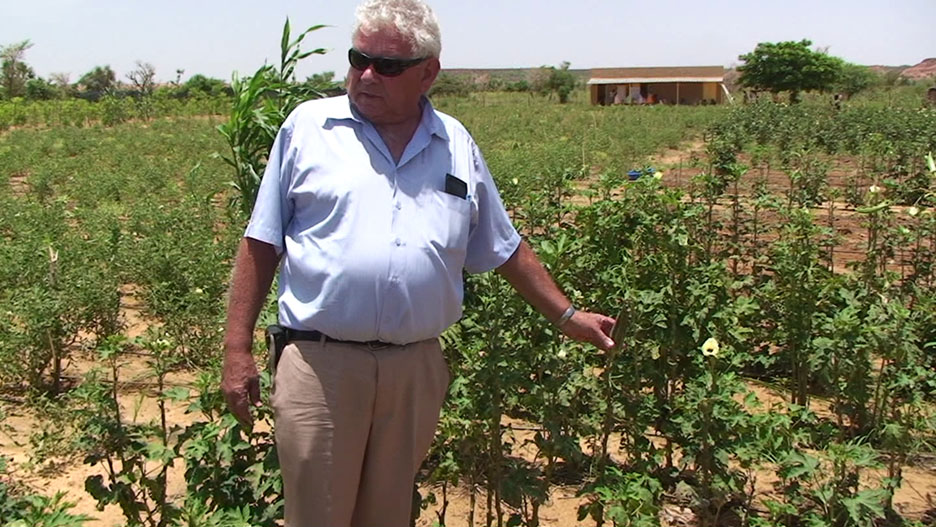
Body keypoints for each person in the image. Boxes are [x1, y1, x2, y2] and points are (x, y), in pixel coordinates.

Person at [220, 0, 616, 525]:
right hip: (322, 366)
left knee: (387, 515)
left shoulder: (454, 143)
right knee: (318, 515)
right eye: (358, 58)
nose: (366, 75)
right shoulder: (309, 129)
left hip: (415, 369)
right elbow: (261, 242)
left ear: (428, 72)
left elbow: (501, 245)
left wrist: (569, 317)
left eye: (387, 66)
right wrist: (236, 347)